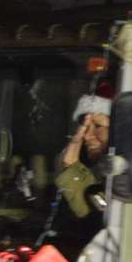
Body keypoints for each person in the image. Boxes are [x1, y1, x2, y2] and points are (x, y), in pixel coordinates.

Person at [55, 93, 111, 221]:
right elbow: (89, 213)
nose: (86, 136)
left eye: (98, 126)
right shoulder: (101, 173)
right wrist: (70, 162)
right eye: (85, 127)